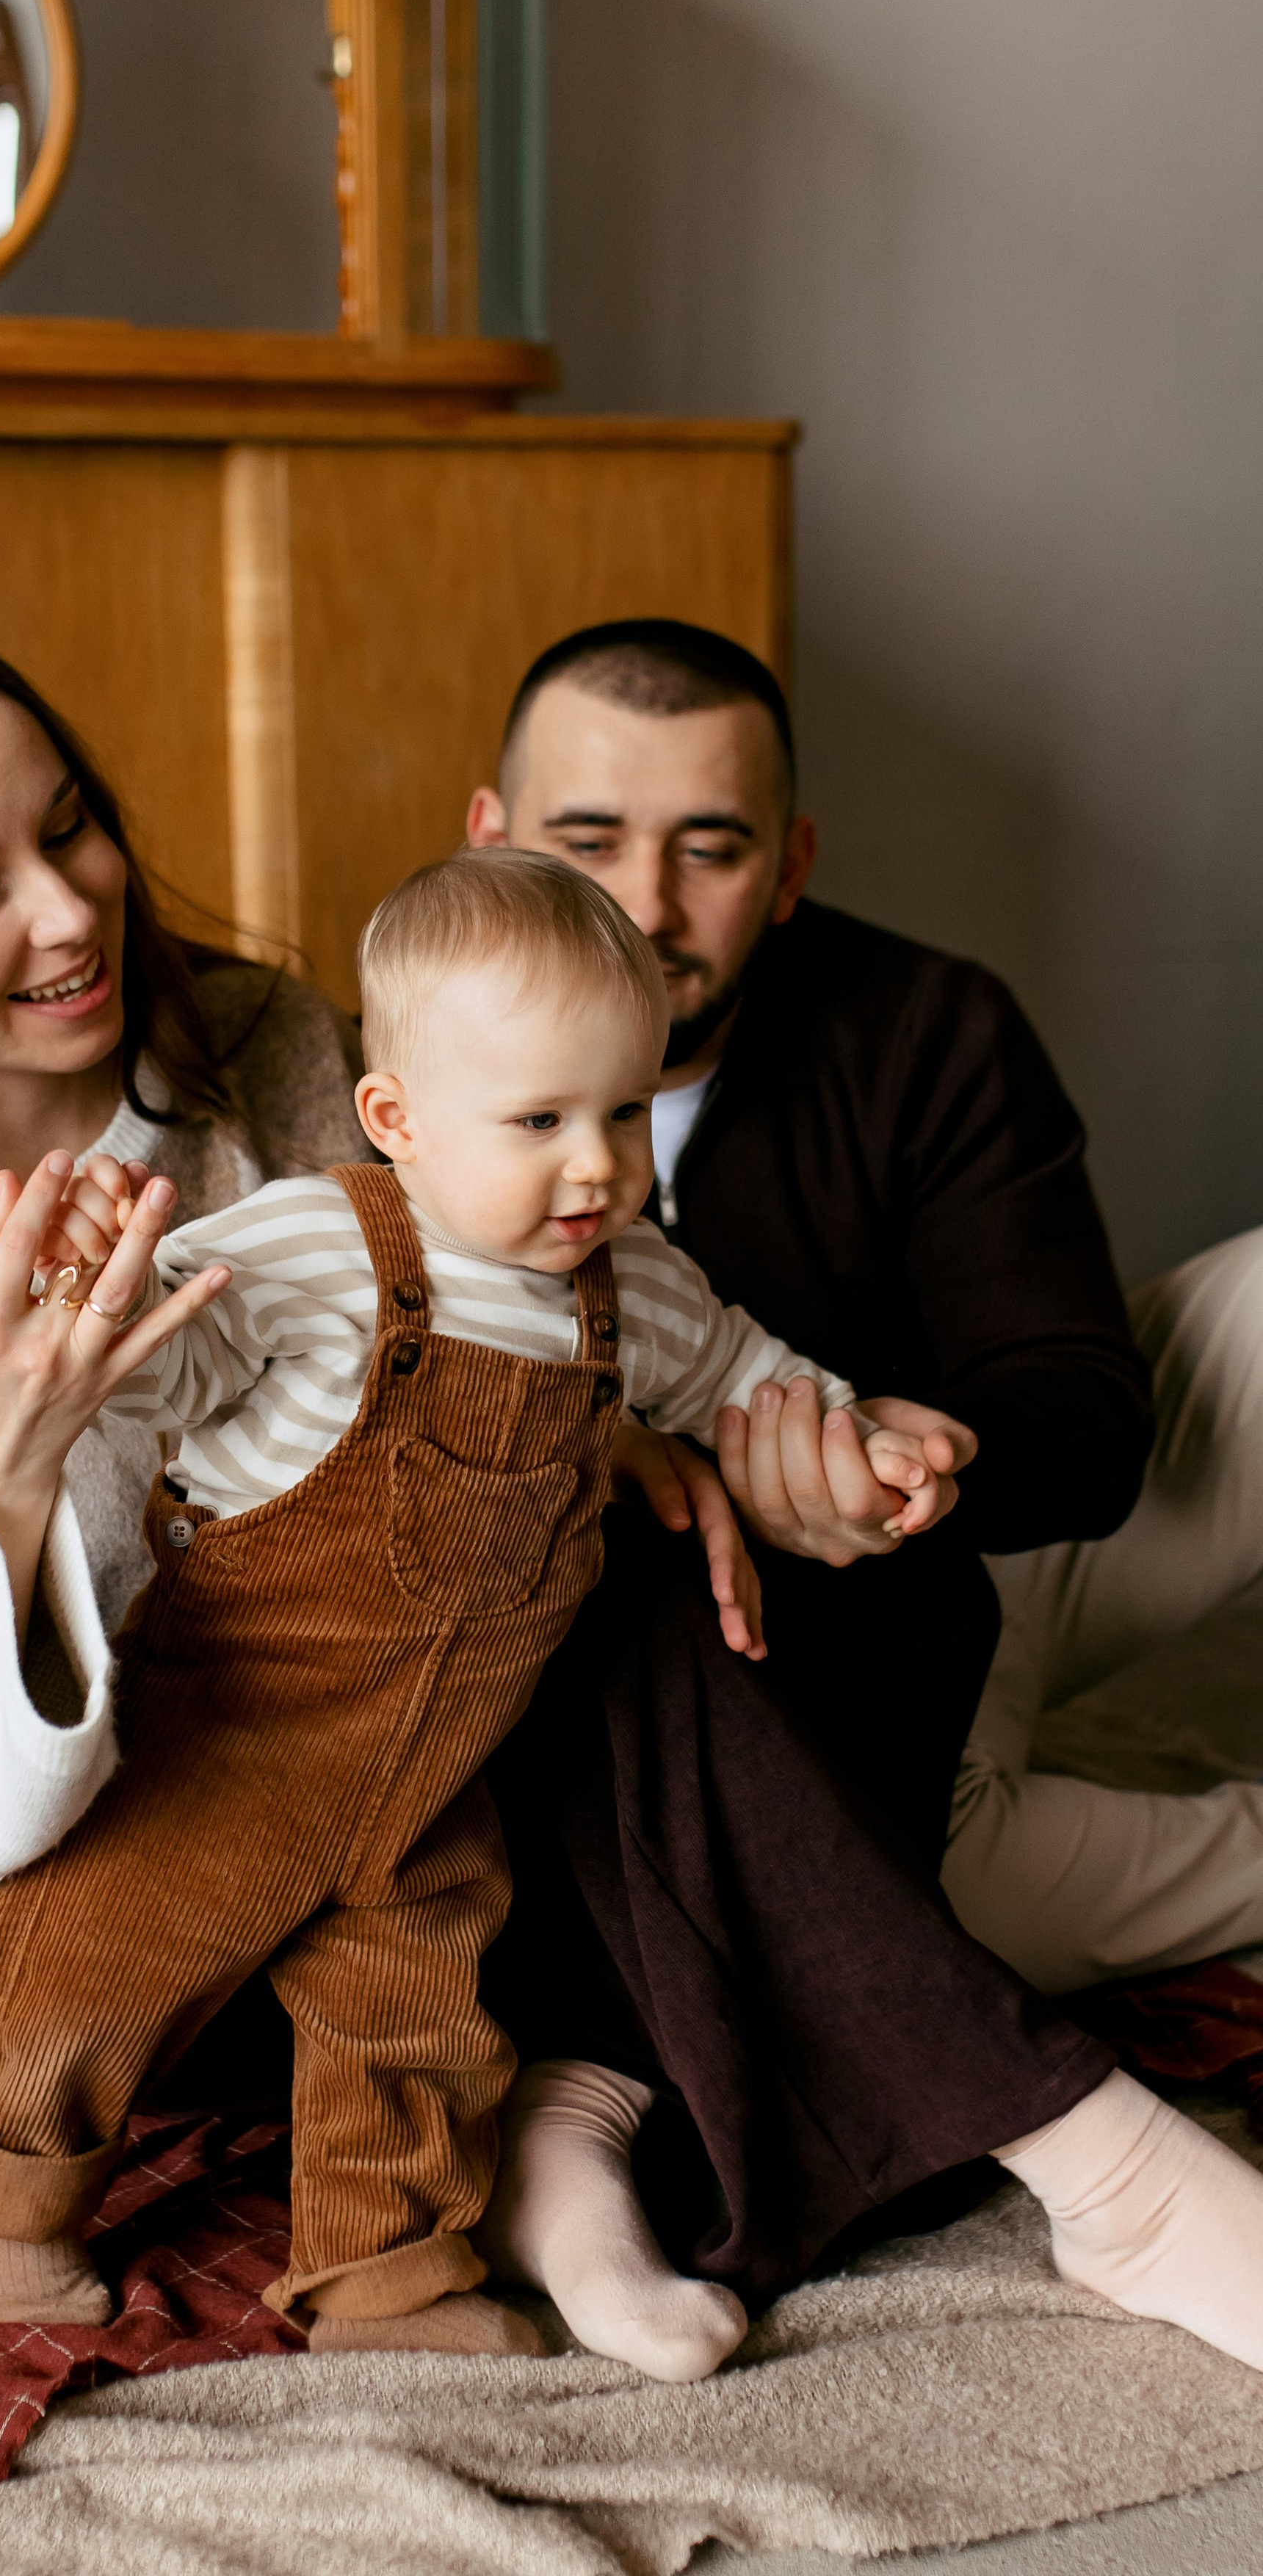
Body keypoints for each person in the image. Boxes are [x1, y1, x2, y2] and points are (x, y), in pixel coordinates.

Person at [0, 612, 1253, 2382]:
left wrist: (634, 1445)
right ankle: (1091, 2159)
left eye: (72, 823)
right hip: (164, 1881)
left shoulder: (259, 1045)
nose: (70, 909)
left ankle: (566, 2133)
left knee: (662, 1566)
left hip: (461, 1775)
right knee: (753, 1758)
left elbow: (519, 1291)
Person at [0, 851, 962, 2354]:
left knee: (416, 2025)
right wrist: (95, 1272)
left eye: (623, 1109)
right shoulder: (320, 1246)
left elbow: (750, 1373)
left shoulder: (634, 1289)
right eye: (537, 1122)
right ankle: (10, 2204)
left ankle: (380, 2278)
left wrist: (855, 1442)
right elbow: (168, 1356)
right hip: (239, 1724)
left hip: (440, 1758)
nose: (594, 1167)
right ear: (396, 1121)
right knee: (99, 1956)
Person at [470, 618, 1263, 1994]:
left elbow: (1082, 1411)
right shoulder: (418, 1066)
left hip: (965, 1542)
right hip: (731, 1666)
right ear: (491, 837)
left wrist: (910, 1461)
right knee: (862, 1918)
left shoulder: (928, 1025)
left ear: (790, 868)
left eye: (710, 848)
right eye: (587, 842)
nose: (645, 907)